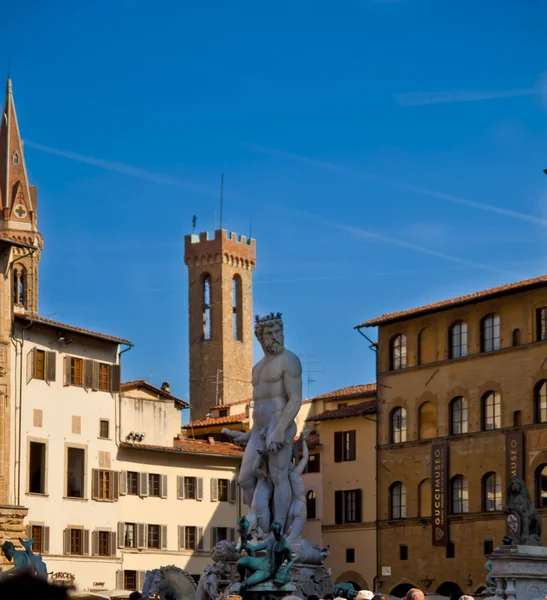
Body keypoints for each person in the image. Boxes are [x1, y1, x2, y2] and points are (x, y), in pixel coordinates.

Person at [223, 313, 303, 532]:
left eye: (278, 331)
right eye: (270, 333)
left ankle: (277, 532)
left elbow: (295, 398)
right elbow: (259, 405)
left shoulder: (289, 360)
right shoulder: (257, 368)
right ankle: (260, 526)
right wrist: (249, 434)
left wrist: (280, 430)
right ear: (260, 337)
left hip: (280, 424)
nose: (276, 336)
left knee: (279, 477)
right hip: (259, 430)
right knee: (245, 479)